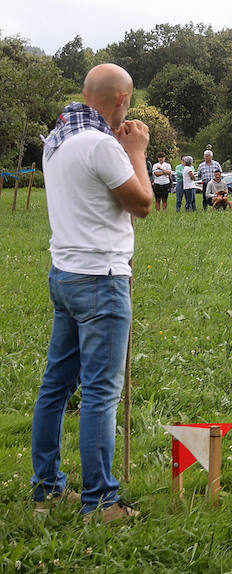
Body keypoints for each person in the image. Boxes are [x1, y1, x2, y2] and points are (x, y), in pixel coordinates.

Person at [32, 63, 151, 522]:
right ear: (123, 98)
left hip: (64, 274)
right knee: (101, 393)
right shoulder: (103, 145)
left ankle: (47, 489)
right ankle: (101, 501)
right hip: (101, 279)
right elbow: (142, 204)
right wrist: (137, 150)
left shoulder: (58, 138)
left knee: (56, 387)